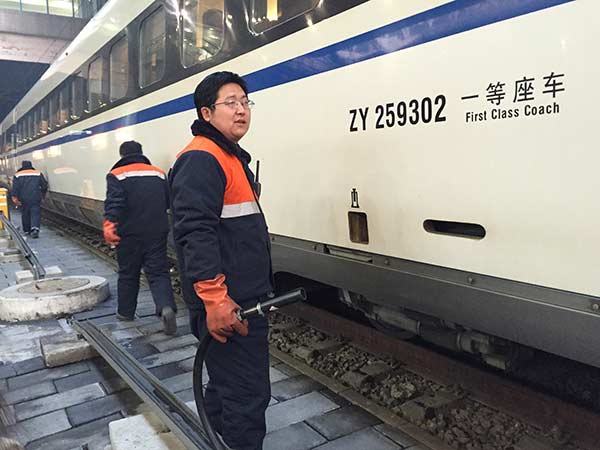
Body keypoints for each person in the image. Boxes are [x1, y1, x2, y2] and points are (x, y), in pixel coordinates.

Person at [169, 72, 273, 450]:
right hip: (230, 306)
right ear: (207, 112)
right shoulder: (202, 157)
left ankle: (211, 439)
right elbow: (195, 232)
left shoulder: (226, 156)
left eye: (246, 102)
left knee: (228, 388)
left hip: (241, 301)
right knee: (247, 397)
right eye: (231, 102)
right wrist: (215, 300)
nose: (242, 110)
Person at [103, 141, 177, 335]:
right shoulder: (158, 173)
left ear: (122, 155)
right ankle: (166, 307)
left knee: (128, 273)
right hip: (156, 231)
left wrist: (109, 223)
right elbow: (168, 201)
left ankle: (125, 313)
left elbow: (115, 202)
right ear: (141, 153)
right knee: (158, 272)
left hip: (129, 234)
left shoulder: (116, 175)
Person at [11, 160, 48, 238]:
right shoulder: (37, 173)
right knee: (35, 213)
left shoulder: (17, 175)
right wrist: (43, 194)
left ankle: (27, 230)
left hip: (23, 198)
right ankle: (35, 229)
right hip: (35, 197)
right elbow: (44, 185)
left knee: (25, 213)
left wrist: (15, 197)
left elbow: (15, 188)